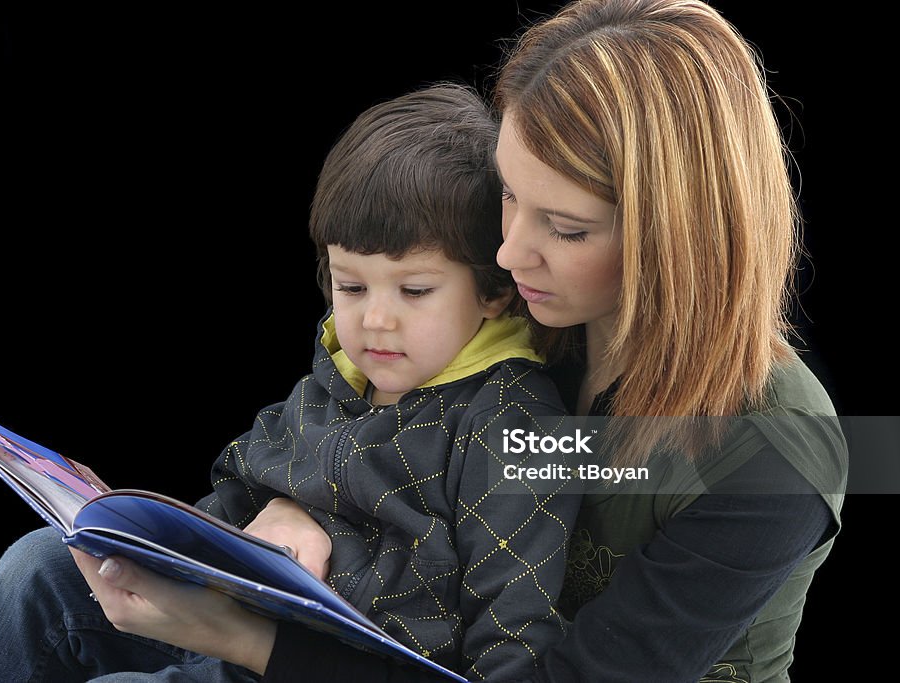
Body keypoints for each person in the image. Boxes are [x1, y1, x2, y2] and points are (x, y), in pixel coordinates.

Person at [71, 0, 846, 681]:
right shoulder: (532, 318)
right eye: (510, 194)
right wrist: (287, 509)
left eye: (567, 227)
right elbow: (359, 444)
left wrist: (240, 636)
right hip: (369, 635)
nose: (507, 253)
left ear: (681, 238)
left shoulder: (778, 449)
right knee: (50, 571)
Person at [0, 85, 582, 682]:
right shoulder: (345, 368)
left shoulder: (507, 419)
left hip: (315, 666)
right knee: (41, 564)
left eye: (415, 290)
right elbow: (245, 479)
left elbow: (513, 645)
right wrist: (141, 530)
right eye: (351, 285)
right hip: (233, 611)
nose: (374, 319)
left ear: (495, 289)